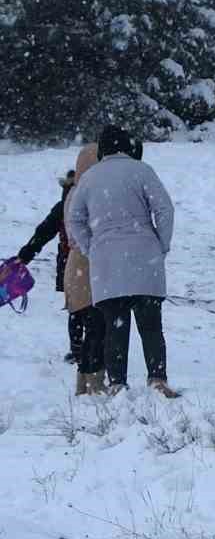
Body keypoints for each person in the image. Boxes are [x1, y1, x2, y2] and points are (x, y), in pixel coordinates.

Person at [65, 126, 178, 398]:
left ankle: (117, 383)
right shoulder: (142, 171)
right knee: (151, 325)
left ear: (102, 149)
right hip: (145, 257)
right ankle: (157, 379)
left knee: (116, 325)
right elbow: (164, 208)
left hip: (107, 260)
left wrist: (91, 246)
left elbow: (74, 218)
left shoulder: (90, 178)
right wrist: (161, 243)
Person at [15, 164, 77, 361]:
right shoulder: (93, 200)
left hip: (70, 262)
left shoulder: (64, 205)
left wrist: (25, 255)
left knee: (75, 307)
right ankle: (90, 348)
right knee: (93, 308)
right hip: (91, 262)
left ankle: (77, 348)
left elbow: (43, 233)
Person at [61, 145, 107, 395]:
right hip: (88, 267)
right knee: (97, 328)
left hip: (77, 268)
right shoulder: (88, 194)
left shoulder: (74, 192)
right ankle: (93, 383)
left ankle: (85, 382)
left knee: (89, 325)